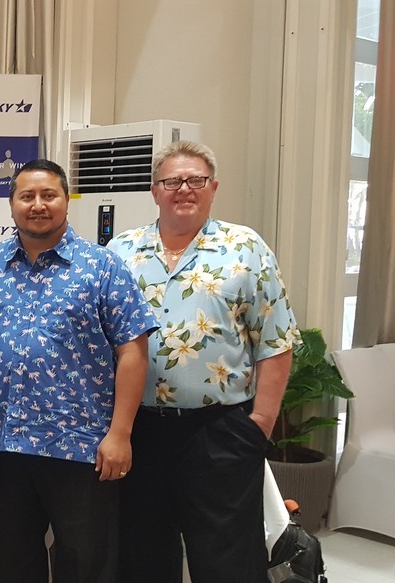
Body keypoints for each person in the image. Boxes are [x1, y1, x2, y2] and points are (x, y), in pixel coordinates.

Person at [106, 140, 299, 582]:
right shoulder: (121, 251)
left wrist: (261, 424)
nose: (184, 189)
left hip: (221, 431)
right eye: (172, 181)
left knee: (228, 559)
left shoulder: (245, 248)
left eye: (196, 180)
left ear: (214, 188)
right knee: (142, 555)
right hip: (140, 430)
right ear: (154, 191)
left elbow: (276, 340)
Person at [0, 159, 158, 583]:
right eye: (26, 196)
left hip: (84, 450)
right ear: (11, 204)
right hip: (6, 447)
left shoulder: (102, 267)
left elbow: (134, 353)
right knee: (14, 564)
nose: (37, 205)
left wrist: (120, 434)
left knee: (86, 567)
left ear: (67, 202)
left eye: (48, 195)